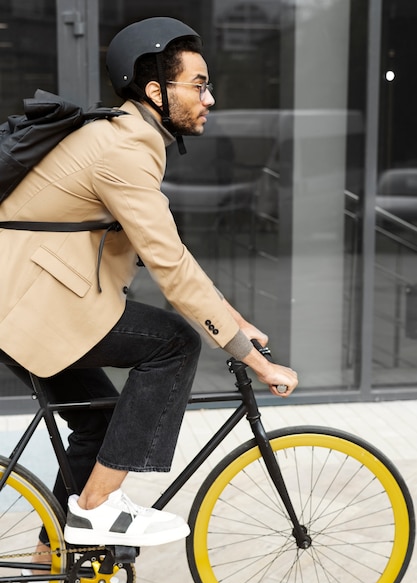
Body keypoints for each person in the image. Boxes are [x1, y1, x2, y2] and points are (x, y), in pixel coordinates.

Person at [0, 17, 298, 551]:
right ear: (157, 91)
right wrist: (252, 356)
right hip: (26, 303)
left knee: (99, 421)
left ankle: (55, 566)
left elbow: (168, 251)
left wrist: (235, 320)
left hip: (26, 298)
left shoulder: (127, 137)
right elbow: (170, 264)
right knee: (173, 343)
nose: (211, 98)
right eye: (200, 84)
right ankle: (96, 509)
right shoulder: (123, 150)